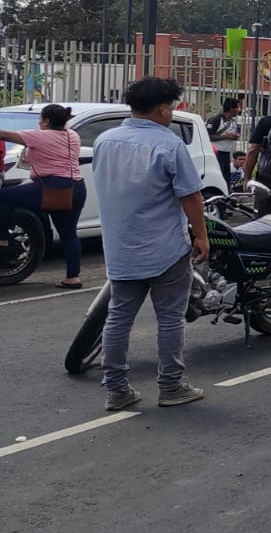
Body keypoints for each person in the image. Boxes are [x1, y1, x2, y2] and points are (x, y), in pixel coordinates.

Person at [92, 77, 208, 410]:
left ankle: (116, 391)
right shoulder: (169, 144)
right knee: (170, 319)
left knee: (117, 319)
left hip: (120, 248)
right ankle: (171, 387)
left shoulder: (105, 141)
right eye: (171, 107)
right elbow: (191, 196)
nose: (172, 113)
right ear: (161, 109)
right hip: (165, 250)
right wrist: (200, 236)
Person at [0, 103, 88, 288]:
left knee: (5, 196)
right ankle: (73, 277)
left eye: (40, 120)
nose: (39, 123)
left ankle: (3, 239)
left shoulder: (38, 136)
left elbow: (4, 135)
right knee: (69, 233)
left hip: (53, 187)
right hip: (77, 187)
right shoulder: (72, 135)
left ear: (47, 122)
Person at [205, 96, 243, 186]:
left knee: (226, 177)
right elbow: (208, 137)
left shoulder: (233, 121)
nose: (239, 109)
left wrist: (235, 136)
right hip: (216, 153)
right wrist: (227, 136)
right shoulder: (216, 120)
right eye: (237, 107)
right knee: (219, 176)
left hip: (226, 153)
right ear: (231, 108)